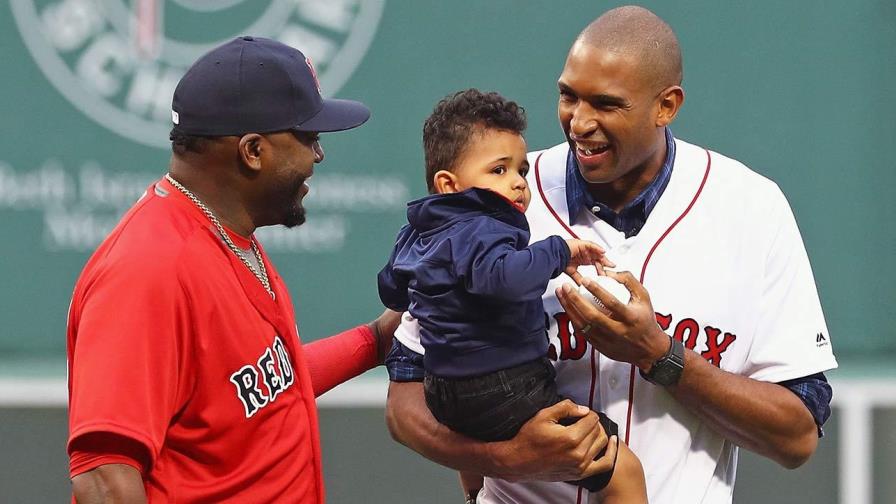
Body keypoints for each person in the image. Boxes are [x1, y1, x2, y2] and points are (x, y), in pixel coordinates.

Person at [384, 6, 837, 504]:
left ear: (666, 106)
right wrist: (501, 459)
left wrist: (659, 355)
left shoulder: (752, 208)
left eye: (606, 103)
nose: (579, 122)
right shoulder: (499, 190)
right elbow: (406, 397)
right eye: (568, 96)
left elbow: (797, 436)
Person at [66, 36, 400, 503]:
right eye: (309, 138)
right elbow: (102, 477)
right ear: (253, 151)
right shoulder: (149, 268)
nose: (317, 156)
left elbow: (252, 390)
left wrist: (376, 341)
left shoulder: (223, 232)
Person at [377, 89, 646, 502]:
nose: (518, 182)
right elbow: (502, 278)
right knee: (622, 469)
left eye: (520, 169)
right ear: (448, 184)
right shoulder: (485, 226)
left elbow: (392, 289)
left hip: (443, 390)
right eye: (499, 170)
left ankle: (474, 496)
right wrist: (556, 250)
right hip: (502, 386)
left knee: (473, 446)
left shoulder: (417, 231)